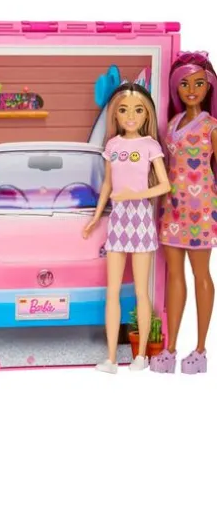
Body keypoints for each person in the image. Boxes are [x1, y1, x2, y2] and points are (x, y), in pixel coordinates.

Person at [84, 82, 170, 373]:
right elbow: (108, 184)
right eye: (123, 110)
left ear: (146, 115)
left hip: (141, 220)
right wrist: (96, 217)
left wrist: (135, 194)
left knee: (141, 292)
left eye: (137, 110)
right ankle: (110, 358)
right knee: (112, 290)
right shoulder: (113, 145)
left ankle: (141, 356)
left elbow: (164, 185)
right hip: (118, 220)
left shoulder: (150, 145)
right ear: (115, 115)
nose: (130, 116)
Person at [153, 51, 217, 374]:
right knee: (174, 276)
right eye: (185, 84)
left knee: (201, 274)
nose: (191, 90)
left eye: (199, 84)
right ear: (176, 87)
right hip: (173, 208)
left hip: (201, 209)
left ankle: (201, 349)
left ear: (209, 88)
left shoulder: (211, 127)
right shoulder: (172, 124)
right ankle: (170, 348)